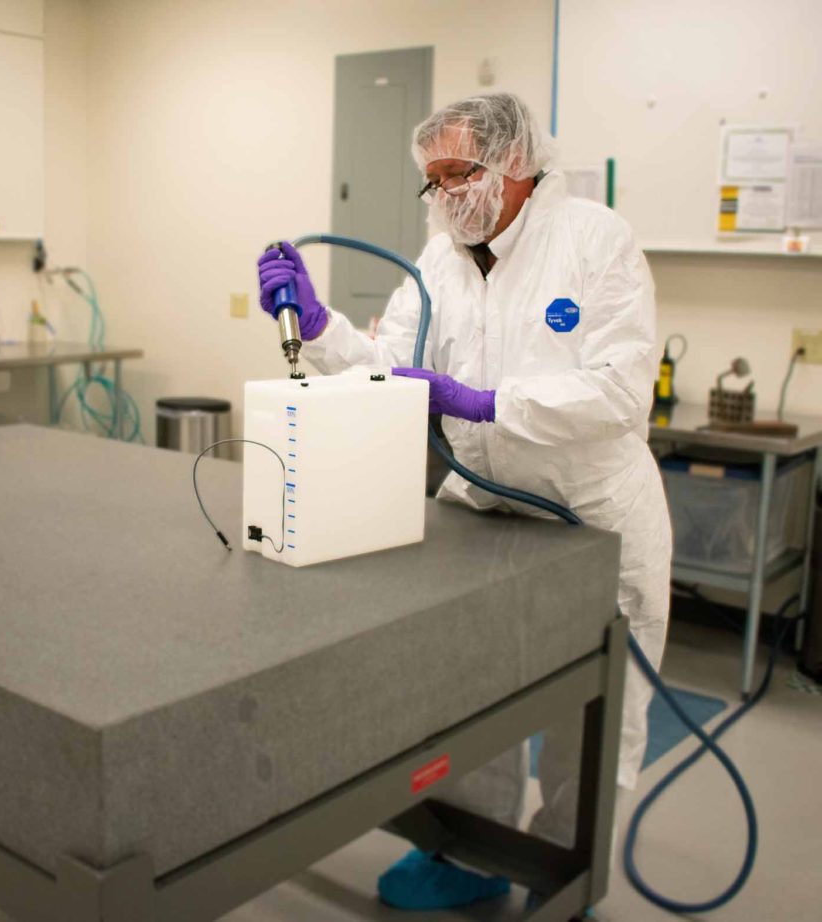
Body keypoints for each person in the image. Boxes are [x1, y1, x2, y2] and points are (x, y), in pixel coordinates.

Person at [256, 92, 672, 912]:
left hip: (594, 522)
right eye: (433, 180)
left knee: (592, 720)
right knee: (471, 691)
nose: (447, 195)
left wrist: (485, 402)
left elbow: (621, 394)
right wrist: (319, 321)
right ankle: (472, 856)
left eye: (461, 173)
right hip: (484, 514)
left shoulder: (594, 241)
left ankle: (564, 869)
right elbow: (389, 364)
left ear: (515, 163)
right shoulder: (440, 260)